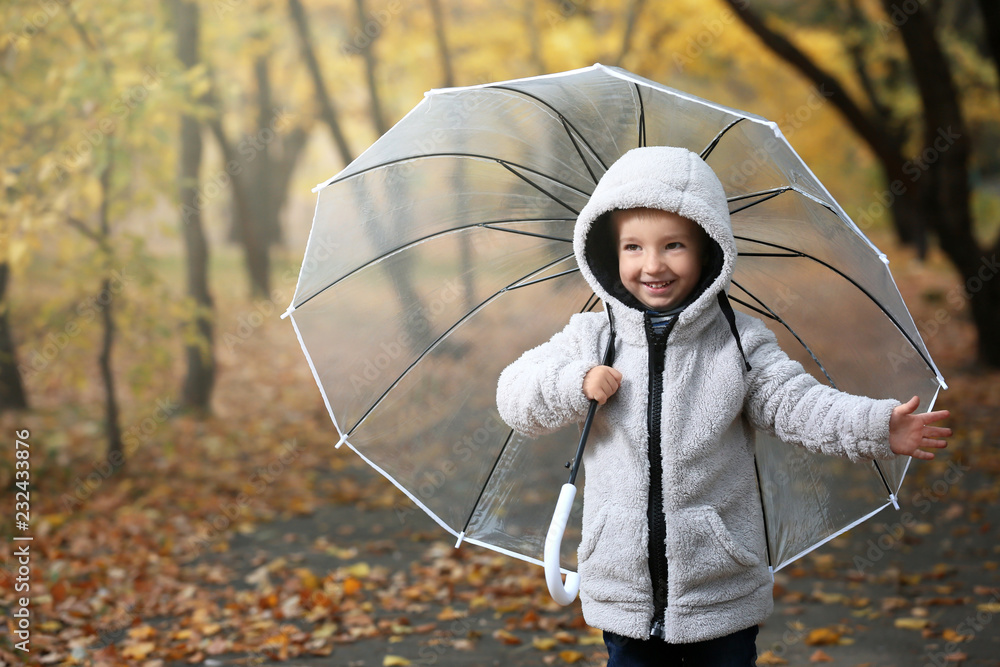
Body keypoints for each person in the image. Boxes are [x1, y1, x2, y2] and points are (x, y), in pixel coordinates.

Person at [495, 146, 951, 666]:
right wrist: (573, 383)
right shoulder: (591, 340)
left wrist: (875, 426)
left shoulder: (738, 345)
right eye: (633, 247)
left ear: (709, 249)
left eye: (673, 246)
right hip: (623, 590)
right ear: (607, 252)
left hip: (720, 589)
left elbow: (797, 404)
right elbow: (514, 394)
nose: (653, 265)